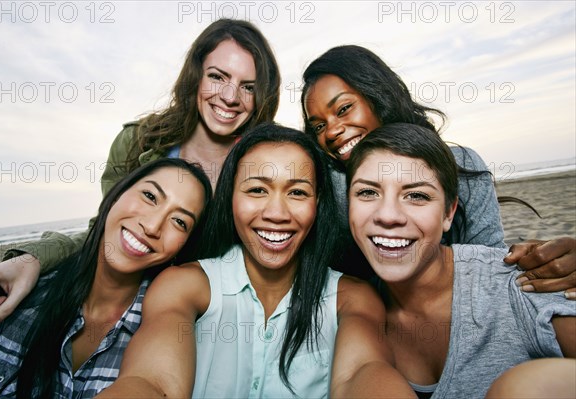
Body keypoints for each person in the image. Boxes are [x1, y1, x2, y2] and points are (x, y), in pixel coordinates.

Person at [0, 18, 281, 330]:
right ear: (196, 76)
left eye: (248, 87)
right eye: (217, 77)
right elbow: (105, 232)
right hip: (132, 318)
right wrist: (31, 258)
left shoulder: (269, 164)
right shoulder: (138, 142)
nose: (230, 97)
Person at [96, 124, 416, 398]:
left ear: (317, 203)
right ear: (231, 196)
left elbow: (363, 372)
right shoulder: (185, 286)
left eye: (297, 193)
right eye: (257, 190)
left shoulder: (352, 298)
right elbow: (152, 382)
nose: (276, 214)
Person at [301, 44, 576, 291]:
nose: (333, 131)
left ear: (378, 96)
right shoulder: (329, 186)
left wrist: (539, 266)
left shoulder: (462, 166)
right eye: (319, 126)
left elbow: (491, 267)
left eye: (344, 108)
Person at [345, 123, 575, 399]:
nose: (388, 215)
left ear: (448, 214)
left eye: (416, 195)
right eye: (368, 192)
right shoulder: (352, 311)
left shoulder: (519, 287)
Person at [0, 158, 212, 397]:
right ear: (116, 194)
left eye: (180, 222)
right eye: (150, 196)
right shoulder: (13, 291)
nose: (152, 226)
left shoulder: (166, 328)